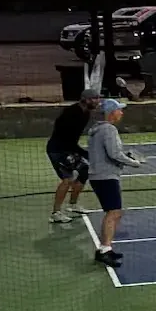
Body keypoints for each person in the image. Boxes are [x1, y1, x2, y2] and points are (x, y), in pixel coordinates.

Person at [87, 99, 142, 268]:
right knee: (113, 213)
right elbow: (114, 154)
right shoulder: (109, 129)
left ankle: (106, 247)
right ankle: (104, 250)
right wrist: (134, 163)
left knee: (115, 212)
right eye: (119, 110)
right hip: (106, 177)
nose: (122, 113)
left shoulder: (97, 130)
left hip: (100, 176)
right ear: (111, 113)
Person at [46, 88, 102, 223]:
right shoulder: (71, 113)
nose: (98, 102)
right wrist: (82, 152)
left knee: (84, 171)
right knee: (69, 178)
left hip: (69, 148)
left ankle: (72, 204)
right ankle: (55, 213)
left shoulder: (85, 113)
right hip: (57, 150)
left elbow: (72, 138)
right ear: (86, 100)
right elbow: (64, 135)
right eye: (95, 99)